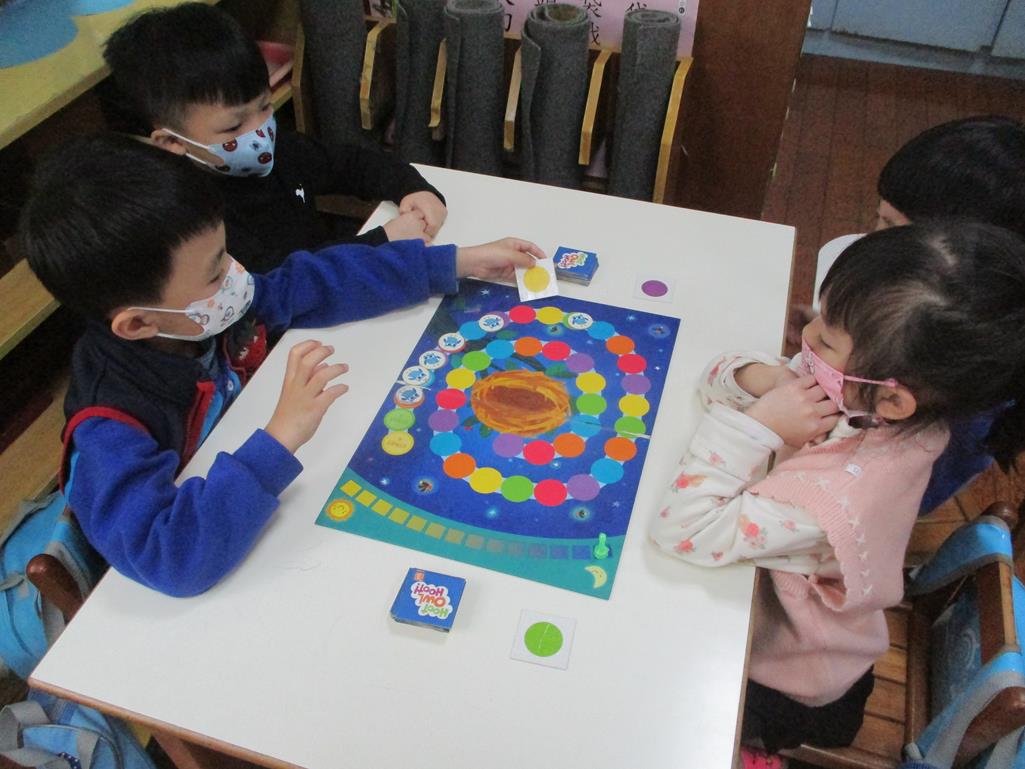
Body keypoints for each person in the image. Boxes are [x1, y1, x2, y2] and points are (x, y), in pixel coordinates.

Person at [19, 134, 542, 598]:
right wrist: (280, 437)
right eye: (215, 272)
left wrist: (452, 262)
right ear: (137, 323)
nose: (238, 274)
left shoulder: (196, 311)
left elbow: (314, 282)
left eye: (226, 253)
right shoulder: (108, 427)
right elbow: (171, 556)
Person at [651, 223, 1025, 767]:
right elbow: (715, 377)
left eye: (826, 338)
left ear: (893, 400)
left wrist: (755, 428)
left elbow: (681, 529)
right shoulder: (874, 401)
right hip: (809, 628)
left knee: (651, 690)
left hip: (788, 683)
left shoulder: (837, 497)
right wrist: (763, 380)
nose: (807, 335)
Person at [102, 2, 448, 273]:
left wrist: (411, 187)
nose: (260, 131)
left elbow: (352, 163)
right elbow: (277, 278)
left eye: (264, 106)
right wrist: (381, 241)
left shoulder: (280, 151)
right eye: (233, 128)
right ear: (172, 143)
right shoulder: (192, 217)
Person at [806, 115, 1025, 513]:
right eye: (879, 217)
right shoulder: (949, 329)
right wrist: (839, 336)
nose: (871, 242)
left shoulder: (951, 418)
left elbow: (844, 502)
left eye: (891, 228)